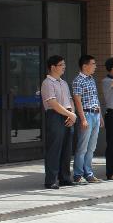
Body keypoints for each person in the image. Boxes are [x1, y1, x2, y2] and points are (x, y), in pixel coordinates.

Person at [40, 55, 76, 190]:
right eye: (61, 65)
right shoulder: (47, 83)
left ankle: (65, 178)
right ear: (53, 67)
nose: (64, 67)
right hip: (55, 115)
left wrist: (72, 114)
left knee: (67, 149)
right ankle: (51, 180)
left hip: (67, 115)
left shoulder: (64, 83)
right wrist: (70, 114)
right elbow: (52, 103)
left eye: (64, 64)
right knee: (54, 149)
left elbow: (70, 99)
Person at [71, 54, 101, 185]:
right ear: (84, 66)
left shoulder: (91, 79)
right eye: (93, 64)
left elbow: (95, 98)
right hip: (87, 114)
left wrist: (100, 116)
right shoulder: (78, 80)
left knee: (91, 147)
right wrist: (83, 118)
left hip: (96, 114)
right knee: (82, 147)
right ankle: (78, 175)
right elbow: (77, 101)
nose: (95, 66)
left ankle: (88, 173)